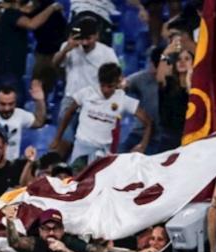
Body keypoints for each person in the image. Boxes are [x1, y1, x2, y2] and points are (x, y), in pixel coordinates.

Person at [55, 62, 151, 166]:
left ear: (117, 83)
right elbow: (69, 113)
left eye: (110, 86)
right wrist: (57, 138)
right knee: (76, 175)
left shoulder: (123, 99)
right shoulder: (86, 93)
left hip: (104, 153)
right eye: (103, 85)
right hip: (81, 148)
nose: (105, 90)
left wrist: (143, 145)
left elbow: (148, 122)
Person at [51, 17, 119, 157]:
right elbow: (54, 64)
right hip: (70, 99)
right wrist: (66, 50)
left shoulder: (107, 52)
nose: (85, 42)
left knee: (88, 144)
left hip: (94, 103)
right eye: (82, 38)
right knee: (64, 142)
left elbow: (116, 76)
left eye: (89, 38)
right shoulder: (69, 47)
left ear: (96, 36)